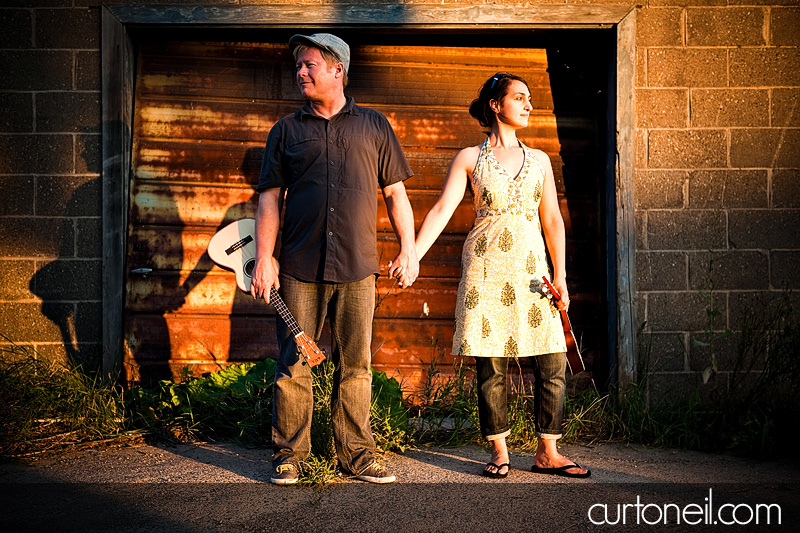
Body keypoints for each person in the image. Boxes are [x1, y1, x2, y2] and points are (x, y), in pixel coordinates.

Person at [250, 33, 419, 485]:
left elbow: (395, 193)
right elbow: (269, 198)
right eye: (299, 66)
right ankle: (290, 455)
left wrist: (409, 248)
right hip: (300, 267)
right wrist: (264, 257)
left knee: (355, 365)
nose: (300, 72)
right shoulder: (286, 130)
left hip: (359, 266)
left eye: (309, 65)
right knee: (294, 364)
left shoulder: (375, 126)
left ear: (337, 69)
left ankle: (357, 454)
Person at [412, 72, 590, 479]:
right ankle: (499, 450)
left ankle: (548, 451)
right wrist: (414, 255)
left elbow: (553, 221)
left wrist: (560, 275)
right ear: (496, 105)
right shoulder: (469, 158)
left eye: (530, 99)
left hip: (532, 273)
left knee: (551, 359)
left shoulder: (541, 160)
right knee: (490, 364)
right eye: (520, 98)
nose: (529, 105)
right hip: (485, 270)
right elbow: (441, 211)